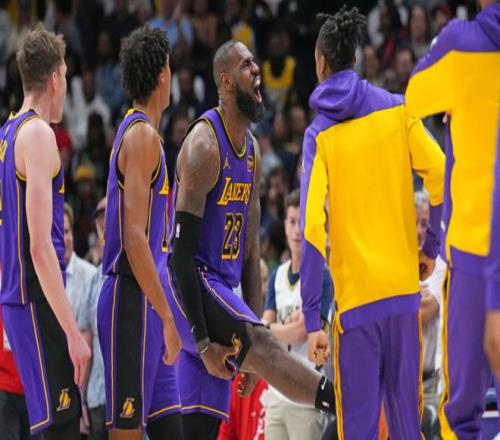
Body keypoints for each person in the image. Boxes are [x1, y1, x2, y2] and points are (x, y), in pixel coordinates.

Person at [165, 39, 336, 440]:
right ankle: (342, 400)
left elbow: (251, 250)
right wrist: (207, 341)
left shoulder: (253, 152)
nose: (257, 69)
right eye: (246, 65)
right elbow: (179, 257)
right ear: (225, 82)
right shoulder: (204, 146)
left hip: (220, 295)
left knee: (199, 431)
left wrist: (252, 344)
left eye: (255, 63)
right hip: (190, 288)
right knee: (264, 342)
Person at [300, 8, 445, 439]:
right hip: (402, 299)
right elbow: (440, 172)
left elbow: (312, 228)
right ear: (355, 59)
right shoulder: (397, 110)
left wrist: (311, 318)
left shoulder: (319, 136)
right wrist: (430, 247)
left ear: (321, 63)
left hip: (357, 309)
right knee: (407, 429)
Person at [405, 1, 500, 436]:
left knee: (461, 414)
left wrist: (455, 99)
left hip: (474, 250)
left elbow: (415, 96)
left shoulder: (460, 44)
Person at [0, 25, 90, 439]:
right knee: (61, 426)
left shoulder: (7, 134)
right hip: (35, 300)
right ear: (54, 78)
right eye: (66, 75)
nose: (66, 85)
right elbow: (39, 247)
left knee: (52, 425)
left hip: (20, 299)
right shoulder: (37, 134)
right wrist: (73, 333)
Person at [97, 26, 182, 440]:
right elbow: (133, 238)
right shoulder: (142, 135)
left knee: (171, 430)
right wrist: (167, 317)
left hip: (148, 298)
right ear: (162, 74)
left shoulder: (146, 134)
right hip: (129, 301)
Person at [262, 189, 333, 440]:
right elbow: (264, 332)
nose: (297, 230)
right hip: (276, 392)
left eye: (302, 223)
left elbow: (303, 332)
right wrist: (280, 328)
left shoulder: (322, 276)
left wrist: (273, 328)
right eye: (292, 222)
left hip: (307, 392)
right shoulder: (276, 276)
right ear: (284, 225)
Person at [415, 191, 445, 438]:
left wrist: (401, 301)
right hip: (402, 381)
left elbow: (426, 310)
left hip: (431, 382)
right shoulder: (397, 259)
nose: (418, 230)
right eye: (413, 222)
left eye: (424, 224)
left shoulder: (438, 263)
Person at [77, 198, 107, 440]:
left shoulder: (145, 276)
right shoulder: (93, 283)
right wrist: (82, 400)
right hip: (98, 395)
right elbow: (85, 345)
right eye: (101, 223)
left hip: (136, 396)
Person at [63, 203, 97, 318]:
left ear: (72, 234)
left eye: (66, 231)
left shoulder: (91, 275)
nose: (63, 239)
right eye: (57, 233)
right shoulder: (40, 278)